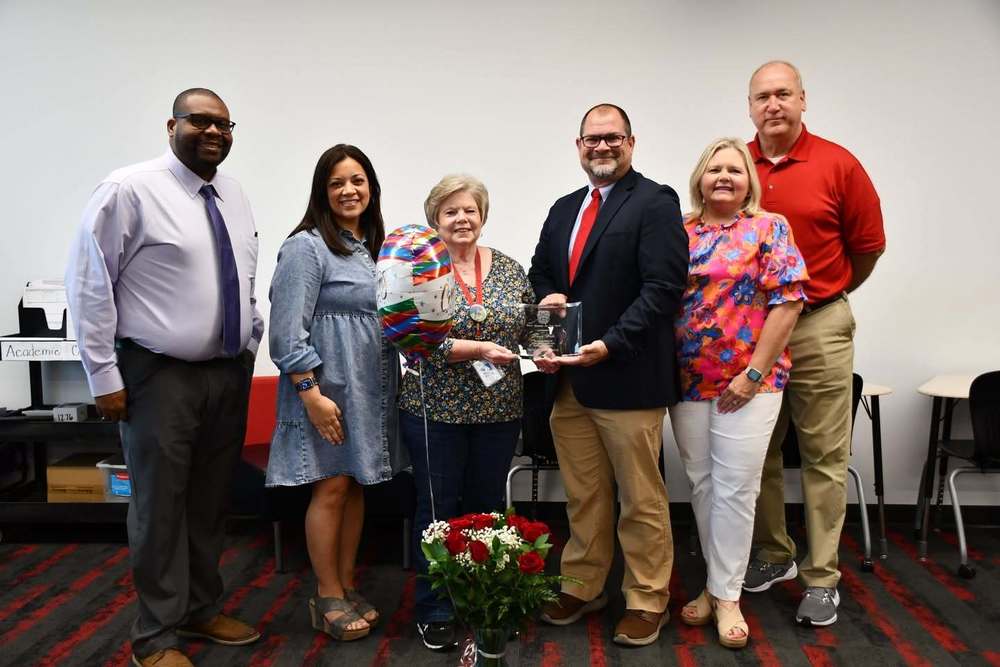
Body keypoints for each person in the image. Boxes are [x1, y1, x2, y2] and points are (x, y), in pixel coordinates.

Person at [65, 88, 263, 667]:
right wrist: (102, 373)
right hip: (158, 375)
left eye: (225, 123)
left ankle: (201, 609)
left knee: (208, 503)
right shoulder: (129, 189)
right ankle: (155, 635)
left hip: (226, 371)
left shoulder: (232, 193)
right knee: (159, 505)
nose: (214, 131)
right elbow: (90, 281)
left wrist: (250, 333)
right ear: (171, 125)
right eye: (200, 120)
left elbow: (239, 272)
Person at [529, 104, 688, 646]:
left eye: (612, 138)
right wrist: (547, 298)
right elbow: (542, 272)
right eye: (592, 139)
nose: (602, 147)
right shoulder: (563, 208)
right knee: (584, 495)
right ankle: (583, 583)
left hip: (627, 376)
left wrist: (611, 343)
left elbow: (663, 290)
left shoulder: (655, 202)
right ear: (578, 146)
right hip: (569, 380)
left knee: (641, 497)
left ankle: (647, 597)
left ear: (631, 142)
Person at [742, 61, 886, 626]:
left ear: (803, 99)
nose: (772, 105)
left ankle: (822, 577)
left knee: (825, 458)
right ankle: (775, 555)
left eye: (783, 94)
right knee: (758, 452)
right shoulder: (735, 165)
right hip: (752, 332)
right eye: (762, 97)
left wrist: (822, 296)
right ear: (749, 106)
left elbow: (867, 249)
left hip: (818, 322)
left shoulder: (838, 164)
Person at [669, 138, 807, 648]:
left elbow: (788, 302)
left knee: (736, 489)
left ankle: (726, 596)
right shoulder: (679, 230)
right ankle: (715, 582)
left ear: (748, 178)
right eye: (714, 169)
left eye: (735, 169)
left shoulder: (768, 227)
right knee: (703, 485)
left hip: (750, 382)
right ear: (699, 178)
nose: (724, 177)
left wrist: (752, 373)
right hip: (686, 380)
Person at [266, 144, 404, 642]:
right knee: (329, 487)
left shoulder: (373, 246)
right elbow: (285, 333)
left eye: (358, 180)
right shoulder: (306, 246)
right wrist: (310, 392)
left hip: (369, 388)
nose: (349, 190)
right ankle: (325, 594)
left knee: (354, 483)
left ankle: (345, 584)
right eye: (337, 183)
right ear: (322, 192)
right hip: (326, 389)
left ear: (372, 188)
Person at [398, 174, 534, 651]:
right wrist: (478, 347)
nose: (462, 219)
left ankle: (486, 602)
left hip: (499, 409)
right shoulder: (419, 268)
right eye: (451, 211)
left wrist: (551, 337)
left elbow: (530, 327)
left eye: (470, 210)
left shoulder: (511, 269)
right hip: (434, 410)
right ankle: (435, 607)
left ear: (483, 216)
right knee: (437, 510)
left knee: (489, 510)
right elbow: (414, 338)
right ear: (435, 219)